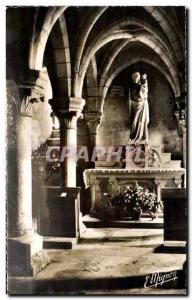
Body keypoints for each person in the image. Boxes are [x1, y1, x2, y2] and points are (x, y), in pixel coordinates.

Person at [128, 72, 149, 143]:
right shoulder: (131, 87)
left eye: (136, 77)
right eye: (133, 77)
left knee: (143, 121)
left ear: (139, 77)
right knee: (134, 122)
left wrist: (145, 80)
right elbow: (130, 97)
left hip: (142, 104)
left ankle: (143, 137)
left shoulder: (141, 86)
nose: (135, 78)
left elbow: (144, 92)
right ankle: (133, 137)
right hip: (135, 106)